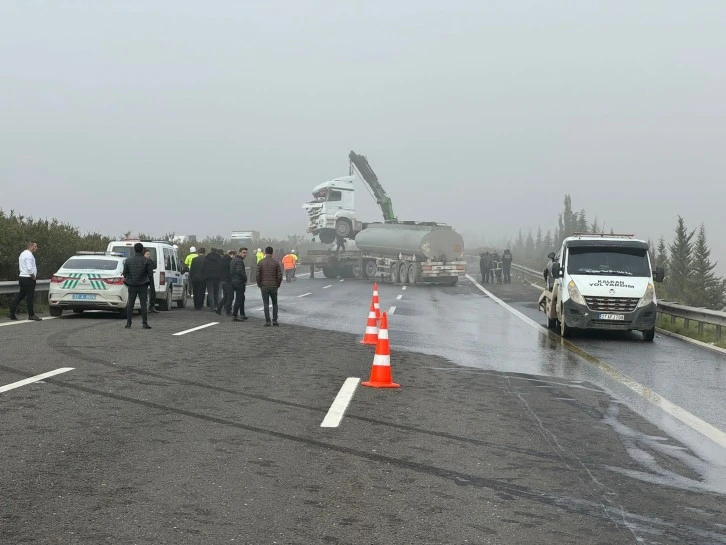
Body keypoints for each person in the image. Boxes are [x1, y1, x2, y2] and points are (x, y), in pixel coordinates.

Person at [7, 241, 42, 321]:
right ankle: (31, 315)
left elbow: (20, 266)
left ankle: (11, 313)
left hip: (22, 277)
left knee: (20, 296)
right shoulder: (29, 255)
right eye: (35, 246)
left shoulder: (22, 254)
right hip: (28, 278)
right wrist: (33, 277)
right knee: (30, 297)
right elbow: (29, 268)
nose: (37, 248)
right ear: (31, 246)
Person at [122, 242, 154, 329]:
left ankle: (128, 323)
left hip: (131, 285)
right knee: (143, 304)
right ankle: (144, 323)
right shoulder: (147, 260)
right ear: (142, 250)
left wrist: (130, 279)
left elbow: (124, 273)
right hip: (143, 284)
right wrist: (149, 284)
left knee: (130, 304)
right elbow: (150, 274)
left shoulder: (128, 260)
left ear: (134, 249)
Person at [256, 246, 282, 326]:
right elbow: (280, 275)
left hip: (264, 286)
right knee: (275, 303)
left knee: (266, 304)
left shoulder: (260, 262)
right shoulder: (276, 263)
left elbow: (257, 275)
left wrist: (259, 284)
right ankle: (275, 320)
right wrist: (278, 284)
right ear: (272, 253)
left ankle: (267, 321)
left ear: (265, 252)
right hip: (274, 286)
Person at [215, 250, 236, 316]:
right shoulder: (229, 261)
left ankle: (219, 309)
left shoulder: (222, 260)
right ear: (232, 254)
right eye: (234, 255)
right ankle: (228, 311)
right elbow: (231, 271)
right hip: (228, 280)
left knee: (226, 296)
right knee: (230, 297)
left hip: (223, 280)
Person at [230, 247, 249, 321]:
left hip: (233, 281)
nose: (245, 254)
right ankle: (234, 315)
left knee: (241, 298)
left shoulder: (233, 260)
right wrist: (245, 279)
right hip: (239, 282)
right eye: (244, 252)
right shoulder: (239, 261)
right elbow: (239, 271)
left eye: (246, 253)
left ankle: (242, 314)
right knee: (239, 298)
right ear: (240, 252)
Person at [143, 249, 159, 313]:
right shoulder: (142, 261)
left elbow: (154, 266)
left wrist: (149, 260)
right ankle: (146, 307)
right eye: (147, 254)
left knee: (152, 293)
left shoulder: (149, 260)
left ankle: (152, 306)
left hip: (150, 279)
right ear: (143, 254)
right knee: (145, 294)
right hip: (144, 279)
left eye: (149, 254)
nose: (148, 255)